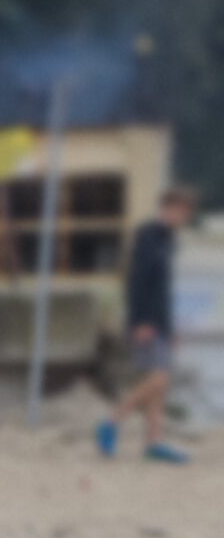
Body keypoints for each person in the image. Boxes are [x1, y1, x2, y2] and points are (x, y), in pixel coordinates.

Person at [97, 184, 197, 462]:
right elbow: (138, 282)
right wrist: (141, 321)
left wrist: (171, 327)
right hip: (147, 321)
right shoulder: (149, 235)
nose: (184, 218)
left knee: (160, 384)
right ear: (169, 208)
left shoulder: (169, 239)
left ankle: (155, 441)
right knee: (159, 377)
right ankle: (112, 421)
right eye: (182, 211)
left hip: (161, 321)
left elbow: (162, 289)